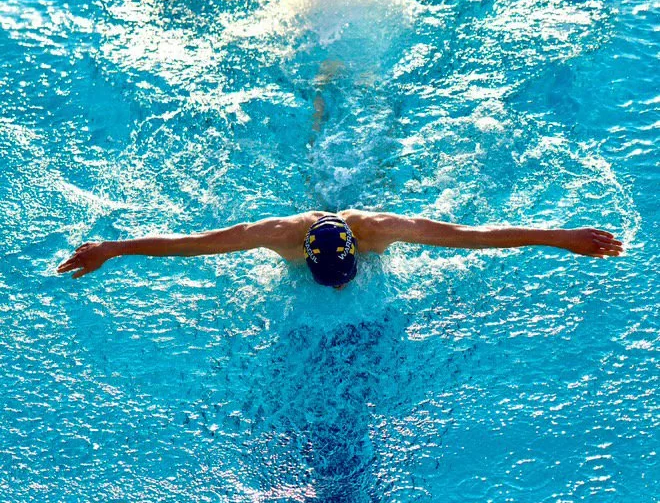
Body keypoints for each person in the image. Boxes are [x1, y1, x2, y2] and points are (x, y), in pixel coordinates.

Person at [57, 210, 623, 287]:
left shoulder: (382, 228)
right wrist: (115, 248)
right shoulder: (274, 234)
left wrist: (562, 237)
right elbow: (193, 245)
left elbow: (475, 238)